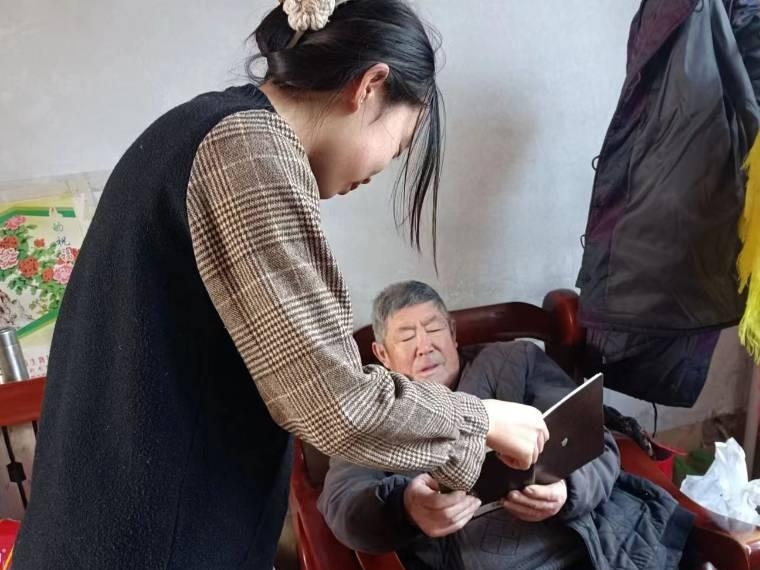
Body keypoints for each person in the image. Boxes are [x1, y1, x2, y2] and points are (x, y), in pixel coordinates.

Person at [10, 2, 549, 569]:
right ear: (369, 87)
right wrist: (482, 421)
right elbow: (334, 401)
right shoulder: (245, 149)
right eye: (399, 143)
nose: (382, 169)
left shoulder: (197, 127)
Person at [319, 281, 695, 570]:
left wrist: (567, 490)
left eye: (433, 329)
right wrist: (406, 507)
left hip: (590, 547)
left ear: (453, 333)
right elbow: (342, 502)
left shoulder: (516, 361)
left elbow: (593, 438)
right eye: (405, 336)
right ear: (382, 355)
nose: (424, 345)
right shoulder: (373, 411)